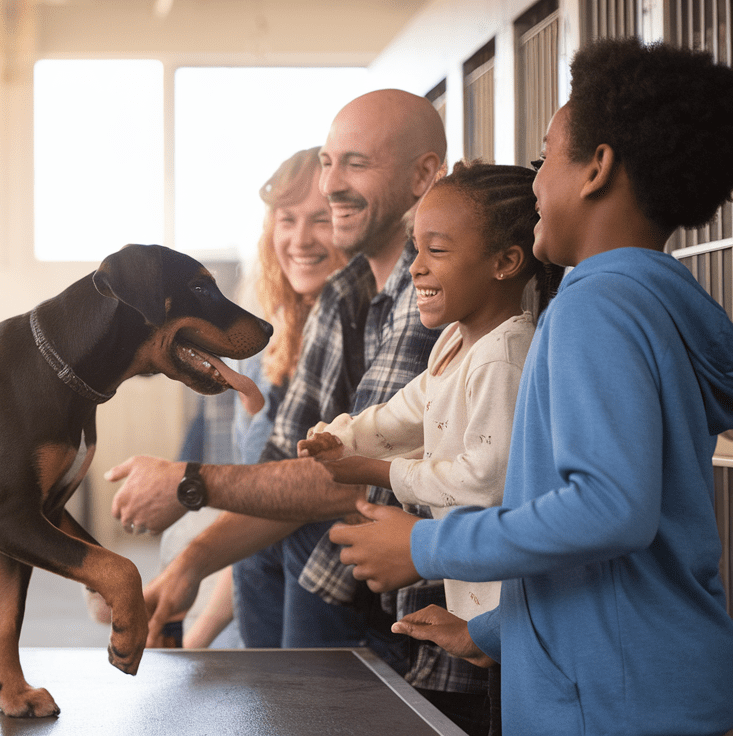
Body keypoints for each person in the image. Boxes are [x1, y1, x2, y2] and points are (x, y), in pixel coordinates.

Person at [329, 38, 733, 736]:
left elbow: (610, 511)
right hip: (643, 681)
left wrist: (425, 547)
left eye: (546, 160)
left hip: (608, 704)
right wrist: (493, 632)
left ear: (596, 170)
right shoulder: (656, 301)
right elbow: (622, 556)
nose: (534, 184)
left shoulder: (595, 306)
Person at [109, 89, 493, 734]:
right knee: (277, 529)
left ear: (424, 176)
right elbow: (282, 473)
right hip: (359, 591)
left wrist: (187, 482)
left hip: (434, 620)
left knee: (308, 534)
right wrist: (188, 568)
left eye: (355, 166)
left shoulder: (428, 292)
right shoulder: (346, 293)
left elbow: (344, 474)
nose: (333, 185)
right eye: (327, 162)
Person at [299, 161, 557, 732]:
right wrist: (340, 437)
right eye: (416, 250)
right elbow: (405, 411)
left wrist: (377, 470)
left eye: (435, 251)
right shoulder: (453, 342)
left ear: (505, 263)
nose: (416, 268)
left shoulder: (503, 356)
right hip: (473, 587)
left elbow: (482, 479)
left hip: (509, 592)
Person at [130, 146, 347, 649]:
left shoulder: (349, 333)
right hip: (260, 566)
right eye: (286, 220)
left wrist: (196, 635)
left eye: (321, 220)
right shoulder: (267, 340)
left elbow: (282, 500)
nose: (299, 239)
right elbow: (258, 494)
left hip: (309, 571)